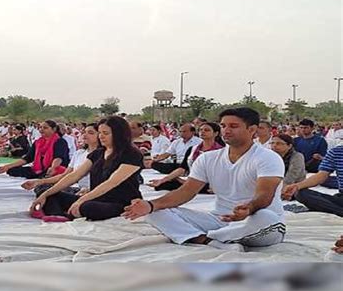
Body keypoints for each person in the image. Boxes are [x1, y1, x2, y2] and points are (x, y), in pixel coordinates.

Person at [123, 107, 286, 252]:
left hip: (254, 220)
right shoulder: (207, 158)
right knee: (154, 212)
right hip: (219, 219)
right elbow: (186, 191)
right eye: (223, 126)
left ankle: (206, 236)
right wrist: (150, 205)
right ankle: (207, 241)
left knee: (266, 217)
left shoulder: (267, 157)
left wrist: (249, 208)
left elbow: (265, 195)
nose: (226, 131)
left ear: (252, 130)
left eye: (233, 126)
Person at [29, 116, 143, 222]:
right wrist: (45, 195)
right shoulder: (98, 153)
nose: (101, 136)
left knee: (87, 207)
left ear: (119, 134)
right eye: (100, 133)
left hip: (119, 202)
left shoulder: (131, 154)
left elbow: (111, 182)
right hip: (96, 198)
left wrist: (82, 200)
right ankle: (59, 215)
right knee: (47, 193)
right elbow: (75, 175)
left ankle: (70, 213)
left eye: (106, 133)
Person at [22, 123, 100, 196]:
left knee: (51, 196)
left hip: (93, 192)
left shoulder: (103, 155)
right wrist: (39, 181)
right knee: (42, 188)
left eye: (91, 133)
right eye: (84, 132)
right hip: (79, 190)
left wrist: (89, 190)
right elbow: (65, 176)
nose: (85, 135)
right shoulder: (79, 153)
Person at [148, 122, 224, 193]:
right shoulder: (192, 149)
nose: (202, 132)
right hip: (193, 178)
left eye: (206, 130)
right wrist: (163, 180)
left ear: (216, 133)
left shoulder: (221, 151)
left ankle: (190, 184)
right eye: (201, 130)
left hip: (212, 181)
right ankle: (188, 184)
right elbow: (183, 168)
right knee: (162, 185)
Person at [282, 145, 343, 217]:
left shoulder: (296, 156)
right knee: (300, 193)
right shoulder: (336, 152)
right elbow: (321, 176)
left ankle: (336, 211)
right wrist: (297, 186)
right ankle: (339, 211)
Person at [0, 120, 70, 179]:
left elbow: (58, 158)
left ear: (54, 129)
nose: (41, 130)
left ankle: (43, 175)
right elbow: (27, 158)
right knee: (11, 170)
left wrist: (53, 168)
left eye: (45, 128)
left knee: (55, 171)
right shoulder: (38, 142)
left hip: (55, 167)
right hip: (39, 168)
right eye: (40, 128)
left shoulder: (60, 141)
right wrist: (7, 166)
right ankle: (39, 174)